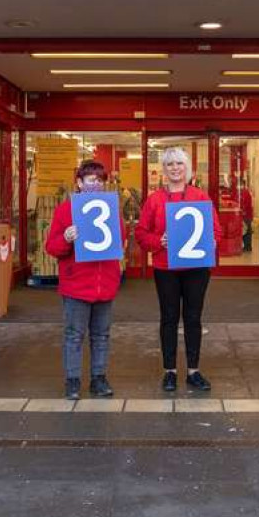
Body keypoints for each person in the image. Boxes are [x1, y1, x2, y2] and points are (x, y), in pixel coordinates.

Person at [136, 147, 221, 392]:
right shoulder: (155, 200)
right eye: (170, 164)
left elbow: (215, 229)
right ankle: (170, 371)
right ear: (164, 169)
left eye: (179, 164)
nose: (175, 168)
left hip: (196, 268)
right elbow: (141, 233)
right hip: (166, 267)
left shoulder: (200, 197)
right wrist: (157, 242)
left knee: (193, 318)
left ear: (187, 168)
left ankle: (193, 371)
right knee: (169, 318)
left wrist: (213, 240)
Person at [45, 160, 125, 400]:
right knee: (74, 335)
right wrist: (67, 238)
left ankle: (99, 378)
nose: (96, 185)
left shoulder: (112, 210)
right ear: (79, 183)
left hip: (105, 284)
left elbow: (118, 240)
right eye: (91, 180)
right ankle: (72, 380)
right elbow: (52, 247)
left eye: (100, 180)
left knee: (102, 335)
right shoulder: (65, 210)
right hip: (76, 285)